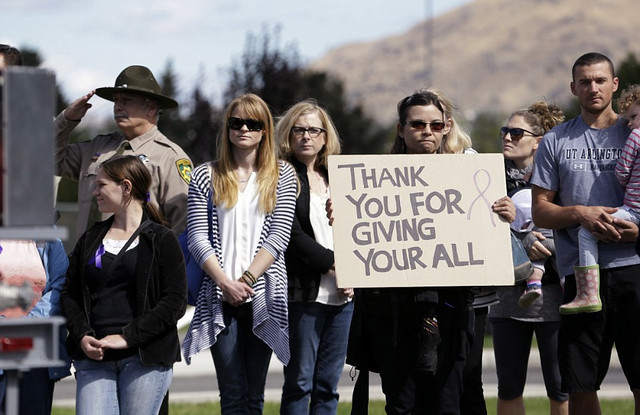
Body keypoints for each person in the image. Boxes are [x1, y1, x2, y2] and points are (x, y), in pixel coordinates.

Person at [345, 88, 486, 415]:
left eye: (436, 125)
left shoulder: (465, 175)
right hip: (394, 316)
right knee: (402, 406)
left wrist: (499, 214)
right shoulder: (374, 183)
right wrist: (345, 217)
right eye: (418, 125)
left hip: (450, 310)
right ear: (401, 129)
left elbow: (483, 238)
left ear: (446, 127)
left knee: (447, 406)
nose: (427, 132)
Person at [531, 52, 640, 414]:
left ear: (614, 85)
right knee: (580, 384)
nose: (592, 88)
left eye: (599, 80)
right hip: (581, 278)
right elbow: (540, 212)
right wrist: (579, 213)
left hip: (633, 269)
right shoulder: (555, 141)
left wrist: (634, 230)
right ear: (573, 87)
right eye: (584, 81)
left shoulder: (636, 129)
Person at [181, 94, 297, 414]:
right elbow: (197, 238)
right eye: (236, 122)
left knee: (255, 394)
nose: (244, 128)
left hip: (265, 295)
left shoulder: (282, 175)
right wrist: (226, 283)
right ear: (228, 128)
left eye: (253, 123)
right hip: (219, 296)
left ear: (264, 131)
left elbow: (279, 236)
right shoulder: (206, 175)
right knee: (232, 393)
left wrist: (246, 279)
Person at [60, 155, 187, 415]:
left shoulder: (162, 239)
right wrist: (82, 334)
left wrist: (127, 337)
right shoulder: (92, 237)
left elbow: (175, 303)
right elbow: (69, 294)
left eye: (102, 185)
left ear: (126, 187)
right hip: (94, 358)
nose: (95, 192)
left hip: (145, 358)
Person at [489, 101, 568, 415]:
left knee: (560, 386)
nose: (507, 137)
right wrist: (519, 236)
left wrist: (541, 241)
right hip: (504, 295)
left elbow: (571, 230)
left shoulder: (560, 180)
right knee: (508, 385)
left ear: (539, 140)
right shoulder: (488, 179)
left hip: (553, 293)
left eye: (516, 132)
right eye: (504, 131)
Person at [276, 100, 354, 414]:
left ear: (325, 136)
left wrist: (355, 274)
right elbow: (290, 237)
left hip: (344, 297)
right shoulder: (281, 176)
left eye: (313, 130)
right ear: (288, 134)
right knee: (299, 383)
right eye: (299, 130)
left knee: (328, 387)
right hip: (302, 294)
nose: (306, 136)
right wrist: (337, 266)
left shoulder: (340, 175)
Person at [55, 65, 193, 239]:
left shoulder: (170, 157)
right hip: (85, 260)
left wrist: (160, 262)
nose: (117, 107)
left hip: (137, 263)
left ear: (151, 107)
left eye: (126, 101)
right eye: (116, 100)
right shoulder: (97, 147)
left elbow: (183, 224)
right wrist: (66, 120)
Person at [562, 83, 640, 314]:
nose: (630, 123)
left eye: (635, 116)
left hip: (633, 210)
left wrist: (626, 181)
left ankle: (587, 293)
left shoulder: (636, 135)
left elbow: (622, 171)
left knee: (587, 232)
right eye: (629, 118)